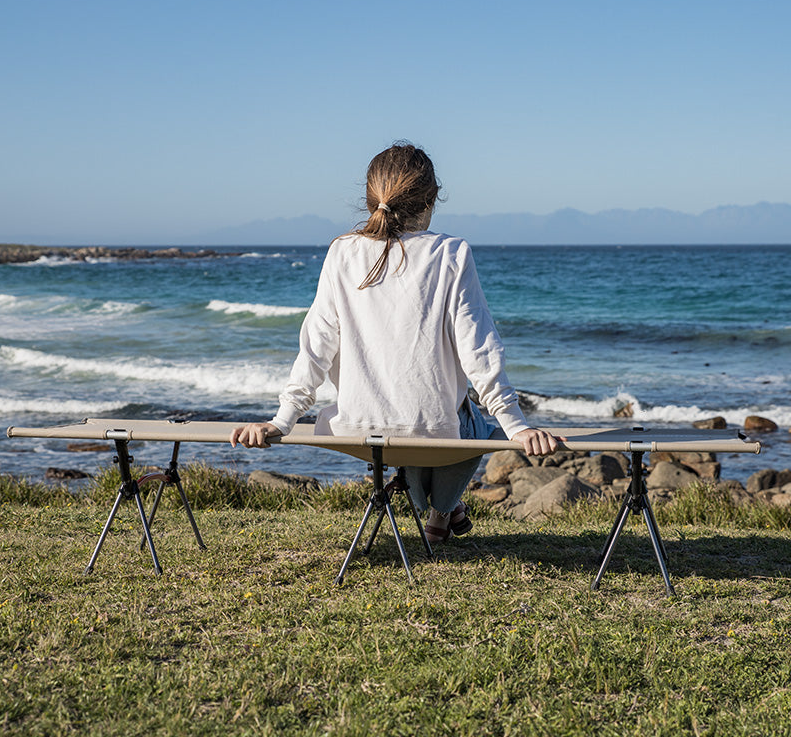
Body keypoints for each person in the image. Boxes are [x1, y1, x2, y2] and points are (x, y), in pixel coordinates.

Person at [230, 142, 559, 543]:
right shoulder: (451, 253)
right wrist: (516, 426)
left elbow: (316, 345)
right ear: (432, 200)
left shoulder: (341, 252)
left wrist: (282, 420)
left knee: (419, 413)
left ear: (370, 200)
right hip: (431, 433)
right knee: (475, 422)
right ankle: (442, 510)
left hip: (357, 431)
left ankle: (445, 511)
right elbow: (479, 352)